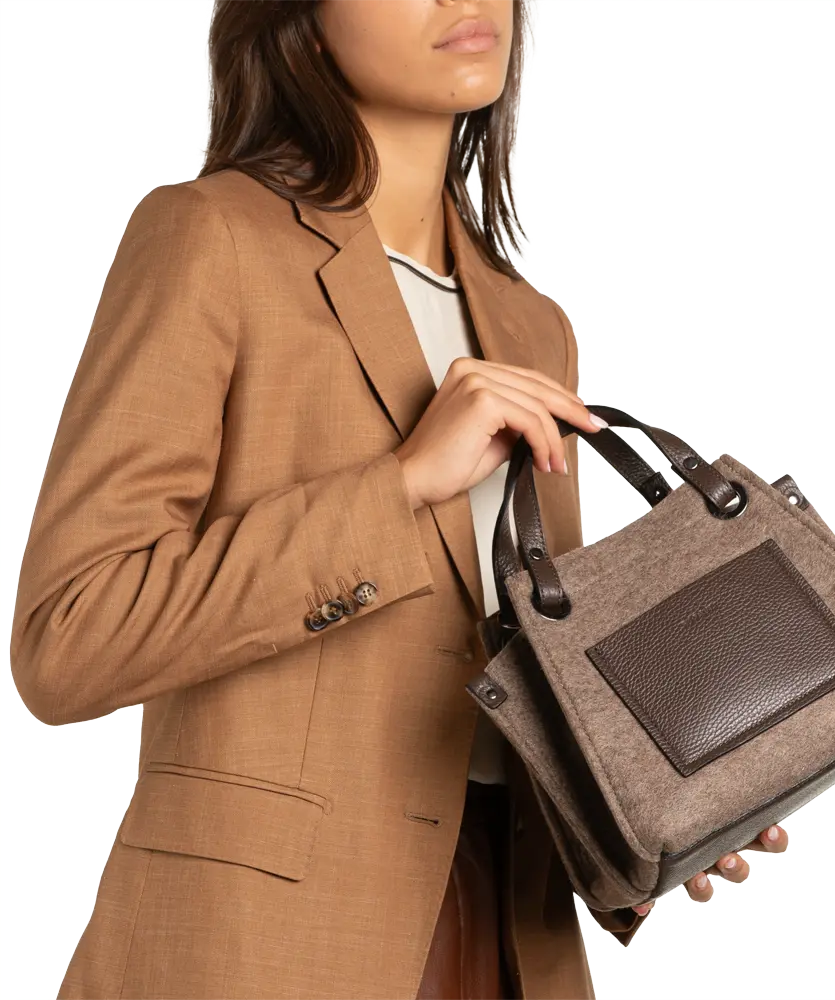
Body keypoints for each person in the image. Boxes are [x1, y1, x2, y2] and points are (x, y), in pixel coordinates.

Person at [8, 1, 789, 998]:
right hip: (268, 943)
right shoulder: (211, 236)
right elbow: (69, 642)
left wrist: (660, 814)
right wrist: (403, 484)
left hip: (516, 936)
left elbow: (531, 676)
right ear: (299, 20)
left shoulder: (532, 327)